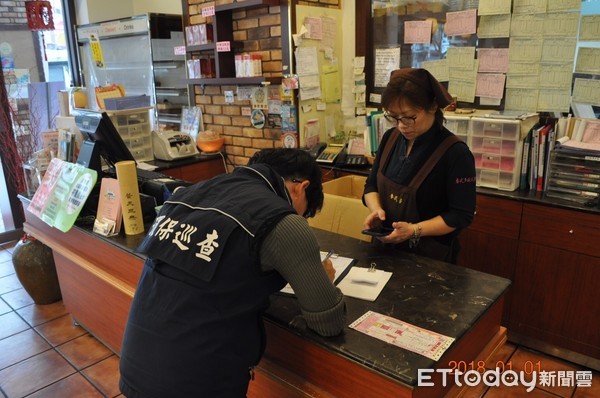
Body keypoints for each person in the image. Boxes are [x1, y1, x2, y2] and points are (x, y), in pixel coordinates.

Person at [119, 148, 346, 397]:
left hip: (134, 368)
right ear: (301, 188)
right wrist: (322, 278)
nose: (300, 217)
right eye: (305, 212)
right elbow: (329, 324)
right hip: (197, 385)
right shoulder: (284, 222)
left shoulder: (191, 193)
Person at [363, 68, 476, 263]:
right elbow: (371, 185)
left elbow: (460, 215)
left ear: (432, 106)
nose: (401, 125)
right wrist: (376, 209)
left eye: (409, 116)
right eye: (394, 117)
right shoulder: (390, 139)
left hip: (430, 260)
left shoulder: (455, 153)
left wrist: (414, 230)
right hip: (384, 249)